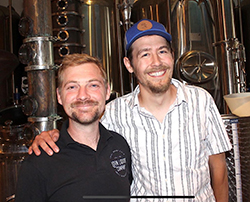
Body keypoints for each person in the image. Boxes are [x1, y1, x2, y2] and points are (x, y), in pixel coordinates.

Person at [29, 19, 232, 201]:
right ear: (129, 64)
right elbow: (81, 124)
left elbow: (219, 169)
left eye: (162, 51)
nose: (156, 62)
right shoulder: (113, 113)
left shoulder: (201, 101)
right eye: (145, 54)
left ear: (172, 56)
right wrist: (52, 134)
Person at [15, 53, 132, 202]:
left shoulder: (120, 145)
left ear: (107, 91)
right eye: (72, 87)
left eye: (93, 85)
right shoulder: (39, 164)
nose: (83, 96)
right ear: (59, 96)